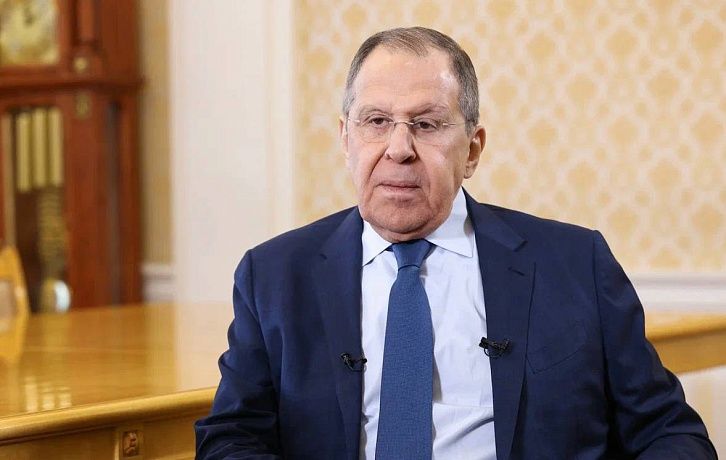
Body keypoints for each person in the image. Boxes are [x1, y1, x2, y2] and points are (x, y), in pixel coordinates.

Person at [195, 27, 716, 459]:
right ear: (346, 139)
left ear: (472, 150)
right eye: (376, 122)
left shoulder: (576, 264)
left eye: (427, 124)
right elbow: (231, 439)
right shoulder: (274, 275)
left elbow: (670, 433)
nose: (399, 148)